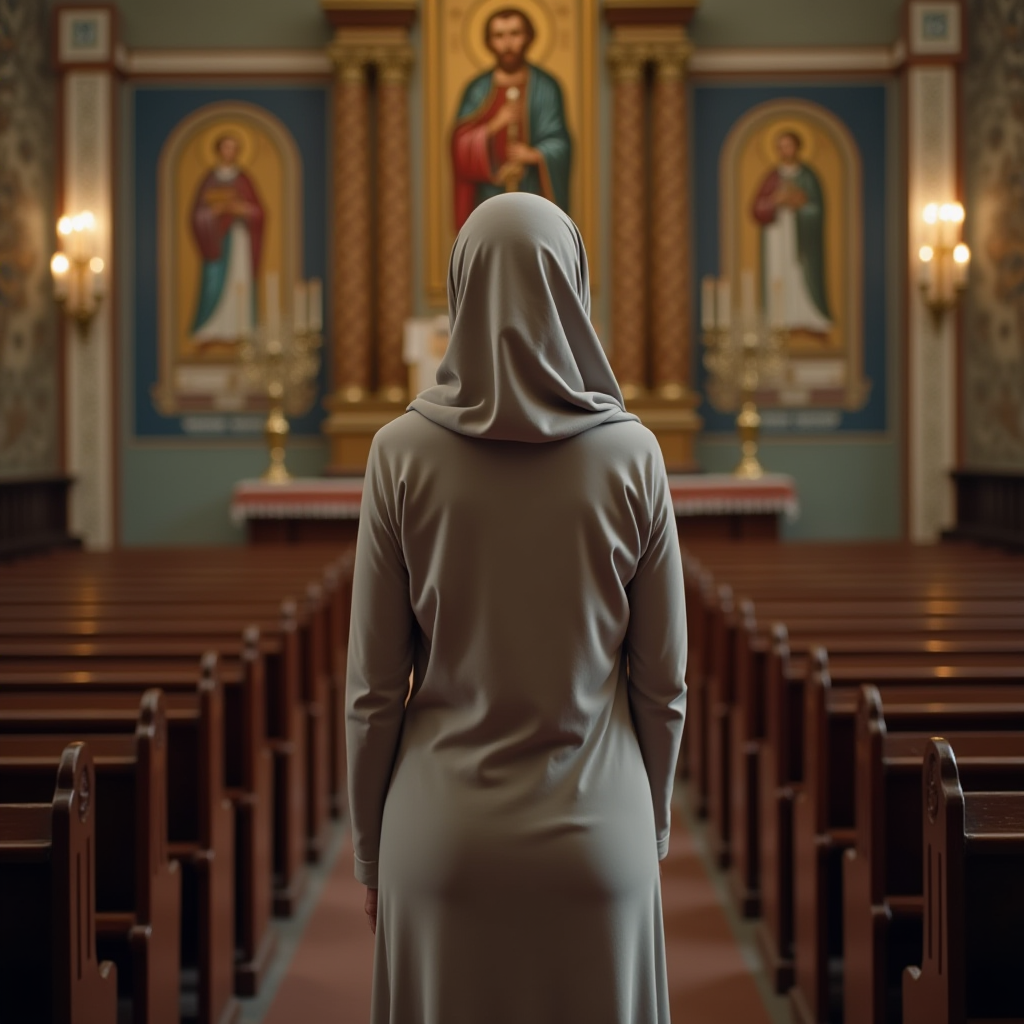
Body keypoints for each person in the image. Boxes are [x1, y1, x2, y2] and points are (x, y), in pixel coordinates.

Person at [346, 192, 687, 1024]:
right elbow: (662, 685)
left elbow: (373, 692)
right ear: (573, 288)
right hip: (597, 837)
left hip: (441, 845)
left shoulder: (399, 455)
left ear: (462, 289)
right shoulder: (633, 455)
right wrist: (652, 825)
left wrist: (368, 851)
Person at [451, 7, 571, 231]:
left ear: (528, 37)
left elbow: (560, 142)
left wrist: (535, 155)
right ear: (489, 42)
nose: (507, 43)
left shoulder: (546, 87)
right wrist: (494, 125)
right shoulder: (477, 89)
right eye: (499, 35)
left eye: (515, 34)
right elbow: (459, 142)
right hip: (487, 196)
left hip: (533, 193)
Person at [752, 129, 832, 335]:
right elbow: (757, 208)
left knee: (799, 273)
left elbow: (817, 208)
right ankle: (779, 320)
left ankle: (807, 317)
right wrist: (774, 201)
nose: (784, 150)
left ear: (797, 147)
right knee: (778, 272)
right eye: (781, 147)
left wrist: (800, 204)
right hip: (777, 236)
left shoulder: (807, 176)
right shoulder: (772, 176)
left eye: (788, 145)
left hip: (802, 238)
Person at [190, 132, 263, 342]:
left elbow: (259, 212)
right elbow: (197, 215)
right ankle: (211, 329)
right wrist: (214, 212)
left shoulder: (243, 179)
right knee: (214, 282)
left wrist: (242, 209)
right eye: (226, 147)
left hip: (240, 237)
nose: (229, 152)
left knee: (239, 279)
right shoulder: (210, 180)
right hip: (216, 241)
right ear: (218, 150)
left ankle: (241, 329)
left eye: (233, 148)